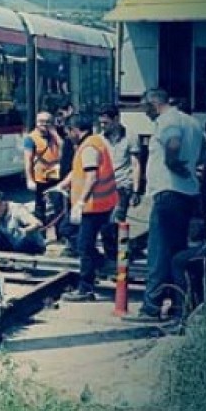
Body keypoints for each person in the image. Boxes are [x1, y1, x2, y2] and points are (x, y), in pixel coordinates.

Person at [126, 89, 206, 323]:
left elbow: (172, 143)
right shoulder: (192, 122)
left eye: (145, 107)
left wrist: (173, 163)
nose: (145, 112)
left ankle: (151, 308)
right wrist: (194, 167)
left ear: (154, 103)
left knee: (158, 253)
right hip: (187, 194)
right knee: (176, 253)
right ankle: (178, 304)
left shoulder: (168, 120)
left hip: (168, 194)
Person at [57, 115, 120, 301]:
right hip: (100, 204)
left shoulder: (89, 147)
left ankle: (86, 288)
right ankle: (98, 262)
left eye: (68, 132)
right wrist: (63, 185)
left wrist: (80, 202)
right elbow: (78, 171)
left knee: (84, 246)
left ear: (75, 129)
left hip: (93, 206)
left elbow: (91, 176)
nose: (68, 136)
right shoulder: (93, 142)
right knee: (67, 229)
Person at [97, 105, 142, 264]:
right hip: (103, 187)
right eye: (101, 123)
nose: (103, 126)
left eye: (106, 123)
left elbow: (136, 164)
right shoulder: (100, 138)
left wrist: (136, 190)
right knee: (105, 224)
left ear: (116, 119)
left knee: (115, 221)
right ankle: (114, 257)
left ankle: (121, 258)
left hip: (122, 185)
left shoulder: (131, 136)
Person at [0, 191, 46, 255]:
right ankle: (3, 259)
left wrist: (25, 230)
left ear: (3, 203)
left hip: (29, 244)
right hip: (12, 245)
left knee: (23, 239)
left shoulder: (17, 209)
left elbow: (38, 223)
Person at [23, 111, 62, 225]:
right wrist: (29, 179)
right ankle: (41, 234)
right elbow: (28, 160)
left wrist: (55, 133)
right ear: (36, 123)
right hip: (40, 177)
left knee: (58, 205)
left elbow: (63, 146)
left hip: (55, 175)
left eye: (47, 122)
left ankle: (59, 234)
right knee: (40, 206)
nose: (44, 124)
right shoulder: (31, 138)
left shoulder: (54, 136)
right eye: (41, 122)